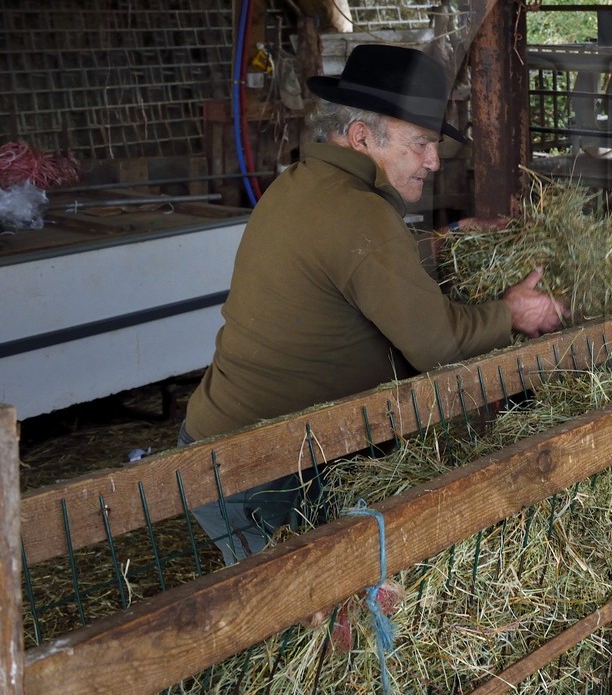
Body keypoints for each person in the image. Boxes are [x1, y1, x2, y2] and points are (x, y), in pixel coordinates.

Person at [179, 43, 565, 562]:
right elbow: (439, 343)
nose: (432, 161)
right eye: (420, 144)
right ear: (361, 136)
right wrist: (513, 313)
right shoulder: (360, 215)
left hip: (226, 444)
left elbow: (357, 265)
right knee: (296, 617)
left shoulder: (303, 184)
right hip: (259, 471)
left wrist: (446, 237)